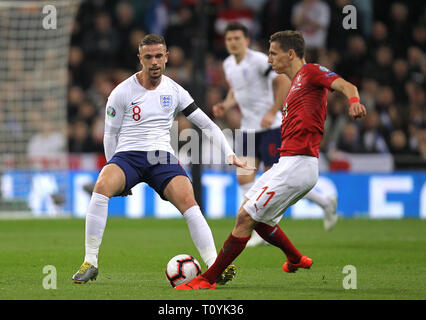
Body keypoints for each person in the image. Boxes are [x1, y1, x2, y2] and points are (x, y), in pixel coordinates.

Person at [175, 30, 367, 290]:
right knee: (257, 217)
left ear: (290, 54)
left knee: (244, 217)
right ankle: (296, 258)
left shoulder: (310, 72)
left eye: (273, 54)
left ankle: (208, 279)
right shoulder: (295, 84)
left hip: (298, 163)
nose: (269, 60)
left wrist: (354, 101)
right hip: (288, 162)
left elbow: (346, 85)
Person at [72, 34, 254, 284]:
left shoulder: (176, 91)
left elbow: (206, 124)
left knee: (189, 200)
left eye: (159, 56)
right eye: (148, 57)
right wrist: (113, 167)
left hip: (161, 156)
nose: (154, 62)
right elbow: (110, 135)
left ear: (166, 57)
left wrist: (229, 153)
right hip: (128, 155)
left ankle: (215, 266)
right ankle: (90, 261)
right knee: (102, 185)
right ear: (140, 59)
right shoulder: (121, 92)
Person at [213, 22, 338, 244]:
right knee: (243, 176)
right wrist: (227, 103)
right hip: (249, 129)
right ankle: (260, 222)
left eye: (237, 38)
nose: (233, 43)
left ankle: (322, 204)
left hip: (271, 127)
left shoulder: (261, 61)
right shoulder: (228, 64)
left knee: (278, 179)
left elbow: (281, 81)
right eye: (229, 39)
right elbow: (237, 88)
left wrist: (272, 111)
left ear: (246, 41)